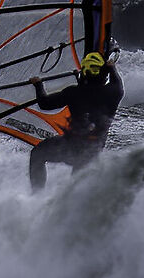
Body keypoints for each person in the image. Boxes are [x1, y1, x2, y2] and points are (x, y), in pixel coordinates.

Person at [27, 48, 123, 191]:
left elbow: (45, 104)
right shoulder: (114, 92)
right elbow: (116, 82)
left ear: (84, 72)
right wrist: (112, 68)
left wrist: (38, 85)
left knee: (37, 154)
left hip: (70, 148)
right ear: (104, 73)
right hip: (92, 151)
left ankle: (37, 194)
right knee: (75, 189)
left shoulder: (73, 92)